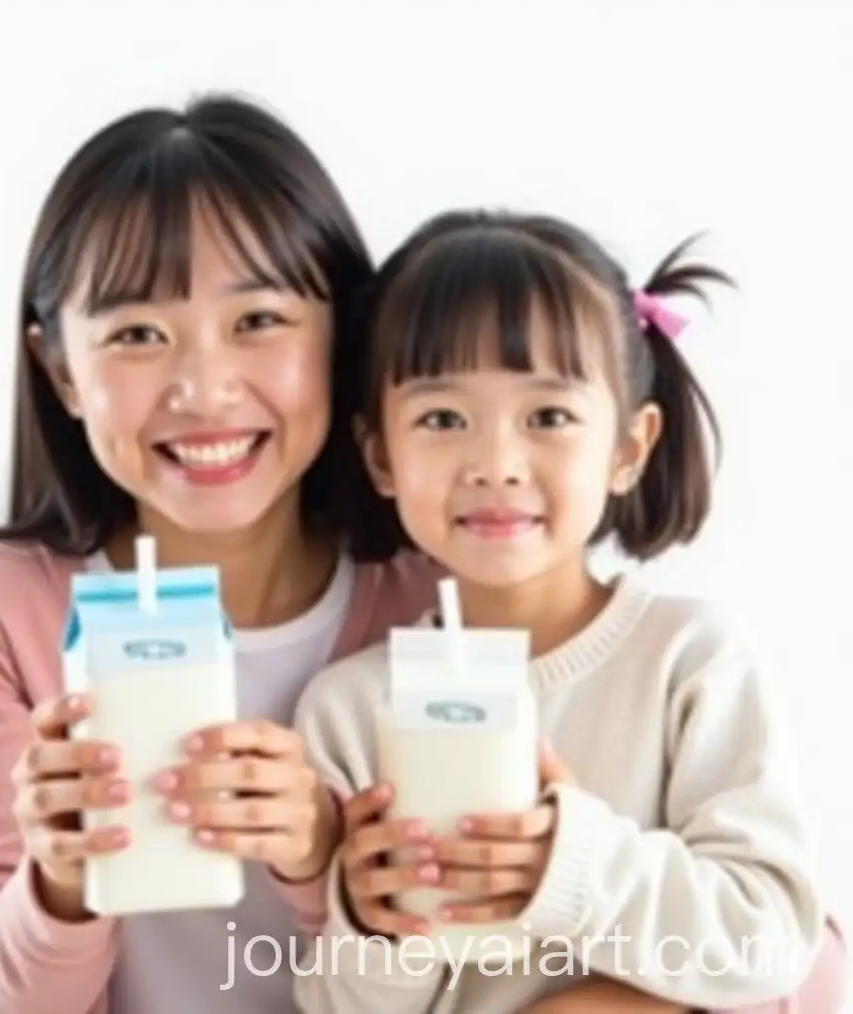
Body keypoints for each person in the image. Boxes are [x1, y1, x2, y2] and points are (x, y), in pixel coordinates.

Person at [0, 94, 845, 1014]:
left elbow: (796, 959)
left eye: (259, 320)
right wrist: (63, 879)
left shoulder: (465, 585)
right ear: (61, 369)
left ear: (341, 339)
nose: (204, 387)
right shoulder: (0, 612)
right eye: (137, 335)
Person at [289, 209, 848, 1013]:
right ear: (381, 455)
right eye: (442, 420)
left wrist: (569, 862)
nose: (495, 464)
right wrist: (379, 929)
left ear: (628, 447)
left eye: (547, 417)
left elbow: (767, 941)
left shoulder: (689, 661)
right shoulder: (348, 710)